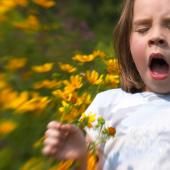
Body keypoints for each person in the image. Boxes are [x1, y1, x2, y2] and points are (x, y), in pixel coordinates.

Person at [42, 0, 170, 169]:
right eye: (143, 29)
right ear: (128, 44)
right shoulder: (107, 105)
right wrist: (81, 157)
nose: (156, 36)